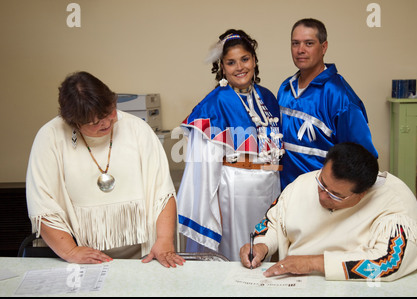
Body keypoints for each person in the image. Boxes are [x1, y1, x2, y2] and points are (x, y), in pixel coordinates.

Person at [26, 71, 185, 267]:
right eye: (95, 122)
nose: (107, 123)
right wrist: (70, 251)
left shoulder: (137, 129)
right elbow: (42, 204)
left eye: (110, 112)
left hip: (144, 256)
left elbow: (163, 191)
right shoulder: (50, 137)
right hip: (81, 259)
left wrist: (164, 240)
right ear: (73, 122)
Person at [240, 142, 417, 281]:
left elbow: (387, 262)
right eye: (322, 184)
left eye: (335, 195)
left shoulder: (394, 200)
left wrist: (313, 263)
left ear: (362, 194)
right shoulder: (305, 183)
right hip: (299, 284)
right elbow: (274, 222)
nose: (322, 196)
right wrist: (261, 247)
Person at [177, 29, 284, 261]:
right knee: (240, 254)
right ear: (222, 67)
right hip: (235, 194)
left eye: (245, 59)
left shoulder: (268, 97)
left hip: (270, 187)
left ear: (254, 60)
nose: (240, 67)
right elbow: (203, 167)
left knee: (268, 246)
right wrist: (212, 210)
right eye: (231, 62)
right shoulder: (215, 103)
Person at [278, 18, 378, 189]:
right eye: (295, 43)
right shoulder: (285, 87)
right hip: (285, 194)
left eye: (309, 43)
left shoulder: (341, 97)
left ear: (323, 47)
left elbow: (364, 160)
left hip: (321, 197)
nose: (300, 50)